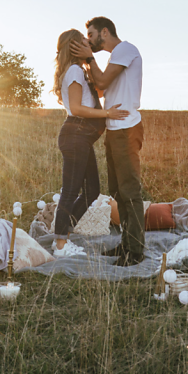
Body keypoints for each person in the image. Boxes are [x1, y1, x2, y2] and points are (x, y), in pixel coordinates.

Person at [71, 17, 145, 266]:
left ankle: (135, 251)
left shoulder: (125, 49)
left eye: (91, 35)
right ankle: (126, 244)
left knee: (129, 191)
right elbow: (102, 90)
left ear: (105, 31)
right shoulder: (115, 57)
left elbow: (101, 82)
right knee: (116, 191)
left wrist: (90, 59)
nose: (89, 40)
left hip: (126, 128)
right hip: (114, 129)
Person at [51, 29, 129, 258]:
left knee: (92, 190)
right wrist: (107, 115)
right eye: (84, 41)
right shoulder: (74, 70)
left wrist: (91, 62)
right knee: (71, 190)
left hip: (81, 137)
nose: (89, 43)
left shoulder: (80, 70)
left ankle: (63, 231)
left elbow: (101, 89)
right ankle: (61, 244)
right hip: (75, 134)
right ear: (74, 45)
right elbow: (75, 108)